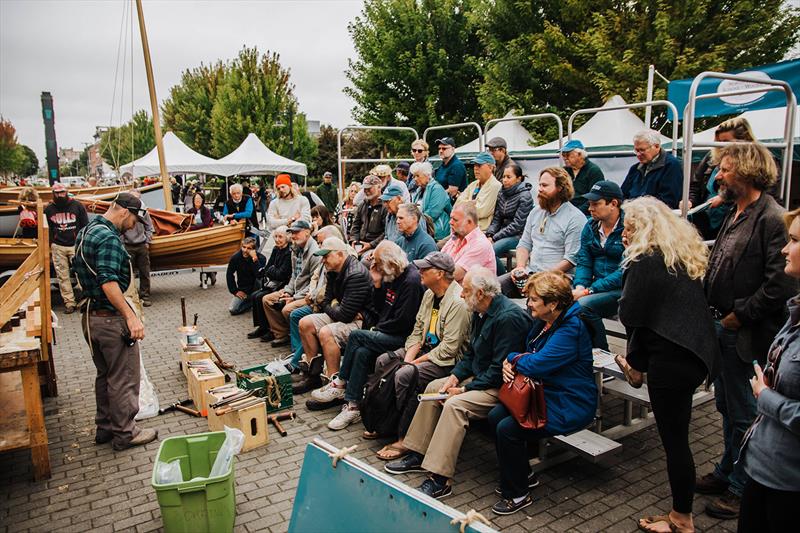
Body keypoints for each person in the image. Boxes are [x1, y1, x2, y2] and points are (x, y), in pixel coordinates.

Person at [698, 142, 797, 520]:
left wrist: (739, 316)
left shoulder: (772, 218)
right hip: (722, 327)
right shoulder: (736, 212)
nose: (717, 176)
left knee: (743, 412)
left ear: (748, 171)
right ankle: (728, 469)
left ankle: (741, 486)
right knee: (726, 407)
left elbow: (780, 285)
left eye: (724, 169)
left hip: (744, 333)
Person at [614, 197, 720, 533]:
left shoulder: (645, 259)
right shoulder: (676, 252)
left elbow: (629, 313)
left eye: (628, 227)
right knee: (679, 436)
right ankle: (635, 368)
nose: (623, 234)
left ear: (642, 228)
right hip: (694, 353)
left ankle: (681, 519)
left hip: (671, 361)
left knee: (675, 442)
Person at [385, 267, 531, 498]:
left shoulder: (508, 318)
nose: (461, 295)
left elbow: (497, 371)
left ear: (481, 293)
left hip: (502, 386)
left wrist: (462, 389)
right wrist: (454, 377)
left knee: (455, 405)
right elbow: (471, 354)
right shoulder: (479, 310)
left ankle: (440, 478)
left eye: (466, 290)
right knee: (435, 387)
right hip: (482, 377)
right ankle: (417, 451)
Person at [489, 271, 597, 515]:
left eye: (534, 299)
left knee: (508, 430)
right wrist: (515, 360)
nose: (528, 304)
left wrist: (511, 359)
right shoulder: (544, 320)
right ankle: (524, 474)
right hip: (544, 394)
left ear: (553, 303)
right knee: (496, 415)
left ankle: (517, 495)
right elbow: (530, 355)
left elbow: (538, 364)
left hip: (569, 401)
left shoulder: (572, 328)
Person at [73, 193, 157, 450]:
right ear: (123, 212)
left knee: (105, 375)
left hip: (91, 317)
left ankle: (105, 427)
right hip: (109, 318)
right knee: (123, 377)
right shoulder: (109, 238)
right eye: (134, 219)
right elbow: (108, 282)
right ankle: (125, 433)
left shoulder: (87, 230)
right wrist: (130, 317)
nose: (134, 225)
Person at [737, 207, 800, 533]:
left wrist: (766, 397)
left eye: (794, 240)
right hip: (763, 467)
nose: (785, 249)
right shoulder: (796, 312)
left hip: (789, 483)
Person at [373, 252, 471, 460]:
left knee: (406, 375)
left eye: (425, 269)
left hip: (446, 361)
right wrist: (408, 357)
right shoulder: (429, 294)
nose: (420, 272)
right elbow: (417, 330)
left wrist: (412, 363)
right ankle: (388, 421)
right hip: (424, 350)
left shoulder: (457, 302)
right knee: (384, 360)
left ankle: (405, 437)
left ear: (440, 274)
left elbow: (449, 349)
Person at [318, 241, 424, 425]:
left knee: (357, 336)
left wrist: (377, 329)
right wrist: (375, 283)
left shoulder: (411, 281)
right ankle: (353, 405)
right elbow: (380, 308)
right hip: (387, 330)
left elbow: (403, 322)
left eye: (379, 266)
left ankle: (341, 381)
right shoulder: (392, 276)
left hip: (402, 337)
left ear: (390, 263)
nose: (377, 269)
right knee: (361, 352)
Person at [293, 237, 373, 394]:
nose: (323, 261)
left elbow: (344, 315)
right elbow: (325, 301)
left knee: (326, 332)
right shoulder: (333, 271)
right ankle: (313, 375)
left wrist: (334, 305)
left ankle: (334, 383)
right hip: (345, 314)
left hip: (363, 322)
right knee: (305, 323)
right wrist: (335, 305)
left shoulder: (355, 273)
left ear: (340, 254)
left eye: (326, 256)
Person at [499, 167, 586, 298]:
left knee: (537, 300)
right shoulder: (536, 212)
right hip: (531, 273)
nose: (539, 189)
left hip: (558, 277)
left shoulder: (575, 218)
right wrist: (520, 267)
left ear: (560, 188)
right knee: (489, 290)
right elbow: (524, 244)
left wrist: (541, 277)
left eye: (545, 185)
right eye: (539, 184)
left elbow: (571, 259)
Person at [571, 181, 625, 351]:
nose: (590, 208)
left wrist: (589, 290)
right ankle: (577, 351)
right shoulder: (590, 226)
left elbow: (625, 271)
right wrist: (579, 285)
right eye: (590, 204)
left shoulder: (629, 228)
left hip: (623, 289)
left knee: (582, 306)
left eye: (596, 204)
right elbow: (584, 260)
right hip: (595, 285)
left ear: (613, 204)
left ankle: (601, 352)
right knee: (552, 295)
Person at [686, 118, 756, 240]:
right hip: (706, 220)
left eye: (725, 142)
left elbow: (757, 192)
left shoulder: (755, 162)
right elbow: (695, 185)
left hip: (735, 223)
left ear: (743, 140)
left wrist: (724, 198)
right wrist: (690, 201)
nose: (720, 146)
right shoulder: (711, 157)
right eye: (717, 142)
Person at [261, 220, 321, 345]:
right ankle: (282, 334)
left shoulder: (314, 253)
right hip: (295, 290)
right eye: (292, 233)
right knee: (267, 299)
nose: (293, 236)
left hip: (308, 293)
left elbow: (313, 283)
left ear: (307, 232)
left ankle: (300, 341)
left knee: (287, 309)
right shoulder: (295, 249)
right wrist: (288, 291)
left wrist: (294, 297)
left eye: (296, 232)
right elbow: (294, 275)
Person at [45, 182, 88, 314]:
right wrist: (52, 242)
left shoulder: (77, 205)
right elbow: (47, 227)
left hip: (75, 244)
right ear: (53, 194)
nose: (60, 195)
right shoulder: (49, 209)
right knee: (62, 276)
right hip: (58, 245)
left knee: (82, 273)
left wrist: (82, 242)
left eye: (62, 192)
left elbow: (84, 224)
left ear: (66, 191)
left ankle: (87, 300)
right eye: (57, 193)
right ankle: (69, 303)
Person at [485, 163, 534, 275]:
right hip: (502, 233)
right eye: (504, 177)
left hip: (518, 236)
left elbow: (517, 225)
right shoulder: (502, 193)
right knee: (480, 247)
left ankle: (503, 279)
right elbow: (497, 218)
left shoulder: (525, 196)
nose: (505, 180)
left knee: (489, 252)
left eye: (509, 177)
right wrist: (490, 234)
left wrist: (495, 237)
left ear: (518, 179)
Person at [247, 226, 293, 339]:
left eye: (280, 237)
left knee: (261, 297)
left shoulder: (289, 252)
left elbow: (282, 274)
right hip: (273, 282)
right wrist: (272, 270)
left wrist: (271, 270)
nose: (277, 239)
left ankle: (271, 329)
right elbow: (268, 268)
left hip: (283, 284)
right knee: (254, 296)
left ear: (287, 237)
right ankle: (262, 327)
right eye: (275, 236)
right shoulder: (276, 249)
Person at [621, 130, 683, 209]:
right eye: (636, 150)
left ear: (657, 146)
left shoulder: (671, 166)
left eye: (642, 150)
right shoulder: (634, 169)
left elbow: (668, 201)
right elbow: (622, 195)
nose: (638, 154)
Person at [441, 202, 496, 282]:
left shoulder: (480, 244)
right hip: (453, 290)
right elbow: (438, 261)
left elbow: (453, 275)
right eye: (451, 218)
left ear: (469, 222)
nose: (450, 222)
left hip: (470, 293)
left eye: (455, 220)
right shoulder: (456, 237)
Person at [121, 190, 154, 308]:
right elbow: (120, 228)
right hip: (128, 245)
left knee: (144, 272)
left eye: (137, 199)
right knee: (128, 273)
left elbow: (150, 227)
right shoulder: (125, 211)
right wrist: (122, 243)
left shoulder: (143, 211)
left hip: (141, 245)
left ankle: (145, 296)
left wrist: (147, 241)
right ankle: (131, 297)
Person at [454, 152, 502, 231]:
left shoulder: (495, 186)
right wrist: (472, 203)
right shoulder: (473, 184)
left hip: (480, 232)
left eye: (479, 165)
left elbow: (481, 211)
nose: (475, 168)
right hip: (464, 229)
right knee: (440, 243)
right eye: (475, 165)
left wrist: (465, 203)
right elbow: (456, 205)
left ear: (490, 167)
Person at [561, 139, 604, 214]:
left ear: (580, 154)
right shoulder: (564, 171)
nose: (564, 158)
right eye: (563, 155)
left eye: (567, 154)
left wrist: (578, 212)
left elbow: (595, 196)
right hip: (566, 210)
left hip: (586, 213)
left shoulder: (593, 171)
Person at [225, 236, 266, 316]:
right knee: (233, 309)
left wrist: (254, 259)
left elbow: (260, 275)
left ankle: (256, 300)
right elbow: (229, 273)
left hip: (256, 289)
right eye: (244, 247)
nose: (245, 250)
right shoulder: (236, 257)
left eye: (249, 248)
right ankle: (251, 303)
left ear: (254, 249)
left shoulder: (261, 258)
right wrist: (234, 291)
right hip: (244, 289)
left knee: (260, 279)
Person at [411, 161, 451, 241]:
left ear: (427, 175)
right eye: (413, 176)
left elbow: (432, 214)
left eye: (417, 176)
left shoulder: (437, 189)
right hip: (422, 230)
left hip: (437, 233)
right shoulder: (418, 191)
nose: (415, 179)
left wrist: (413, 223)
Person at [348, 175, 387, 256]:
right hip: (360, 244)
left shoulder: (385, 206)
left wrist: (371, 245)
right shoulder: (363, 204)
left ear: (379, 187)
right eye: (365, 188)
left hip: (376, 246)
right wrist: (354, 240)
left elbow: (386, 232)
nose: (366, 191)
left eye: (369, 188)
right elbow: (356, 225)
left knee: (364, 261)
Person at [434, 137, 467, 202]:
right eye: (439, 148)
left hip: (452, 206)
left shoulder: (457, 166)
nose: (441, 151)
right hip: (441, 202)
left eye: (444, 148)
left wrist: (434, 197)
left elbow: (452, 192)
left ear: (453, 149)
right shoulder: (442, 165)